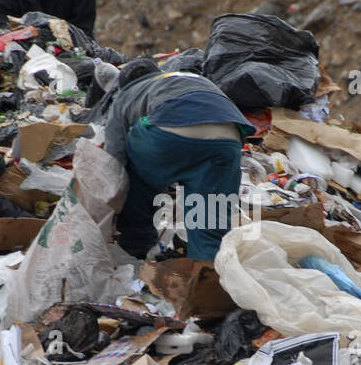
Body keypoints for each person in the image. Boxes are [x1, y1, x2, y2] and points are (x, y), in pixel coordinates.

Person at [103, 69, 253, 262]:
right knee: (210, 216)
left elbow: (114, 157)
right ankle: (206, 275)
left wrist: (110, 205)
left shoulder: (126, 95)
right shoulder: (184, 78)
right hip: (228, 138)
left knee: (136, 176)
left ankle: (138, 249)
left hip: (168, 130)